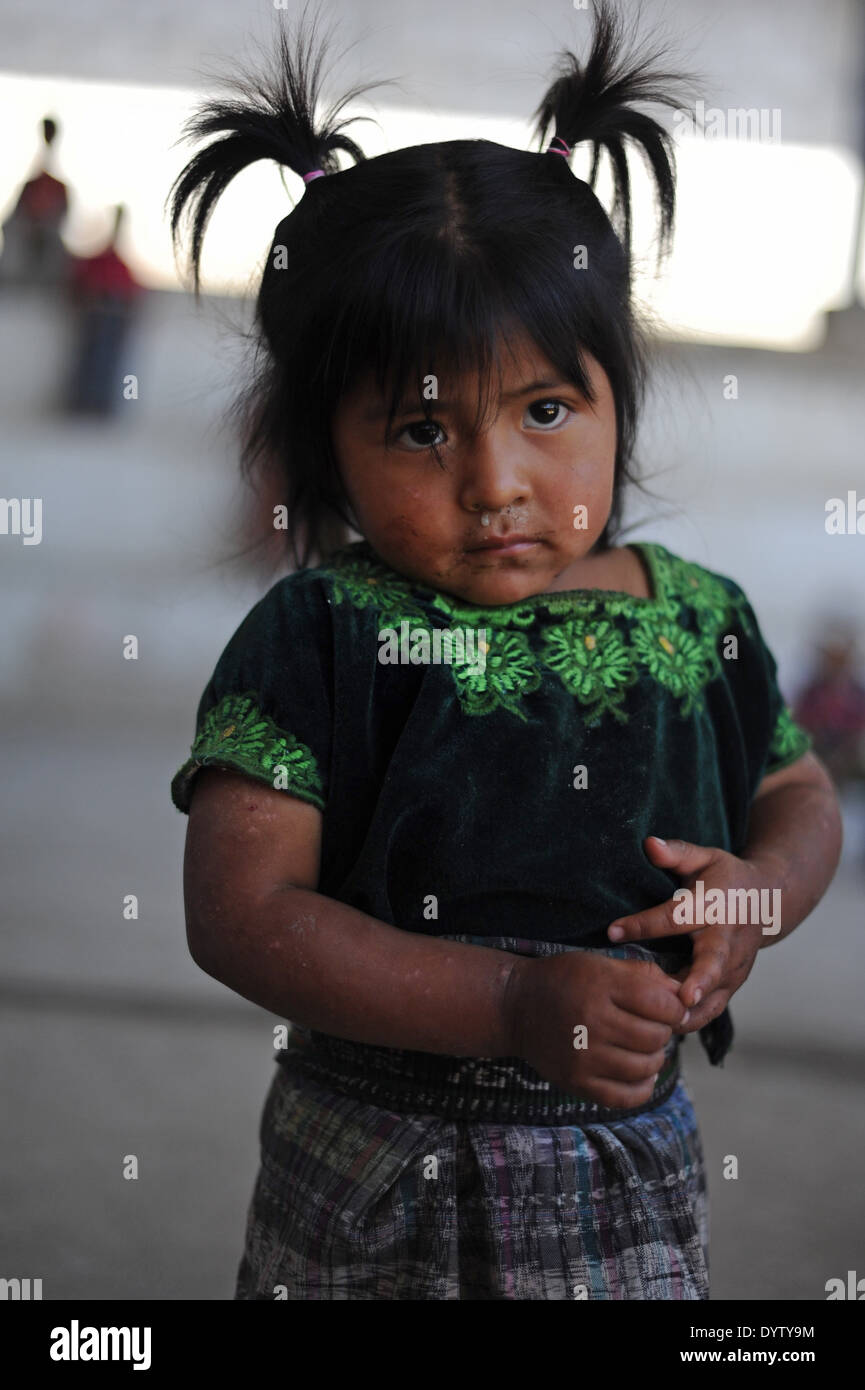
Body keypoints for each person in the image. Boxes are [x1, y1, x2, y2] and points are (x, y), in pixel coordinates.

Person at [167, 1, 842, 1300]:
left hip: (627, 1160)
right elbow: (239, 911)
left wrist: (755, 894)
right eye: (420, 433)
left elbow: (797, 793)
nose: (495, 482)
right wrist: (507, 1008)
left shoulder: (698, 618)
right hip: (371, 1167)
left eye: (544, 409)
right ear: (326, 450)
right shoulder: (319, 633)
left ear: (614, 396)